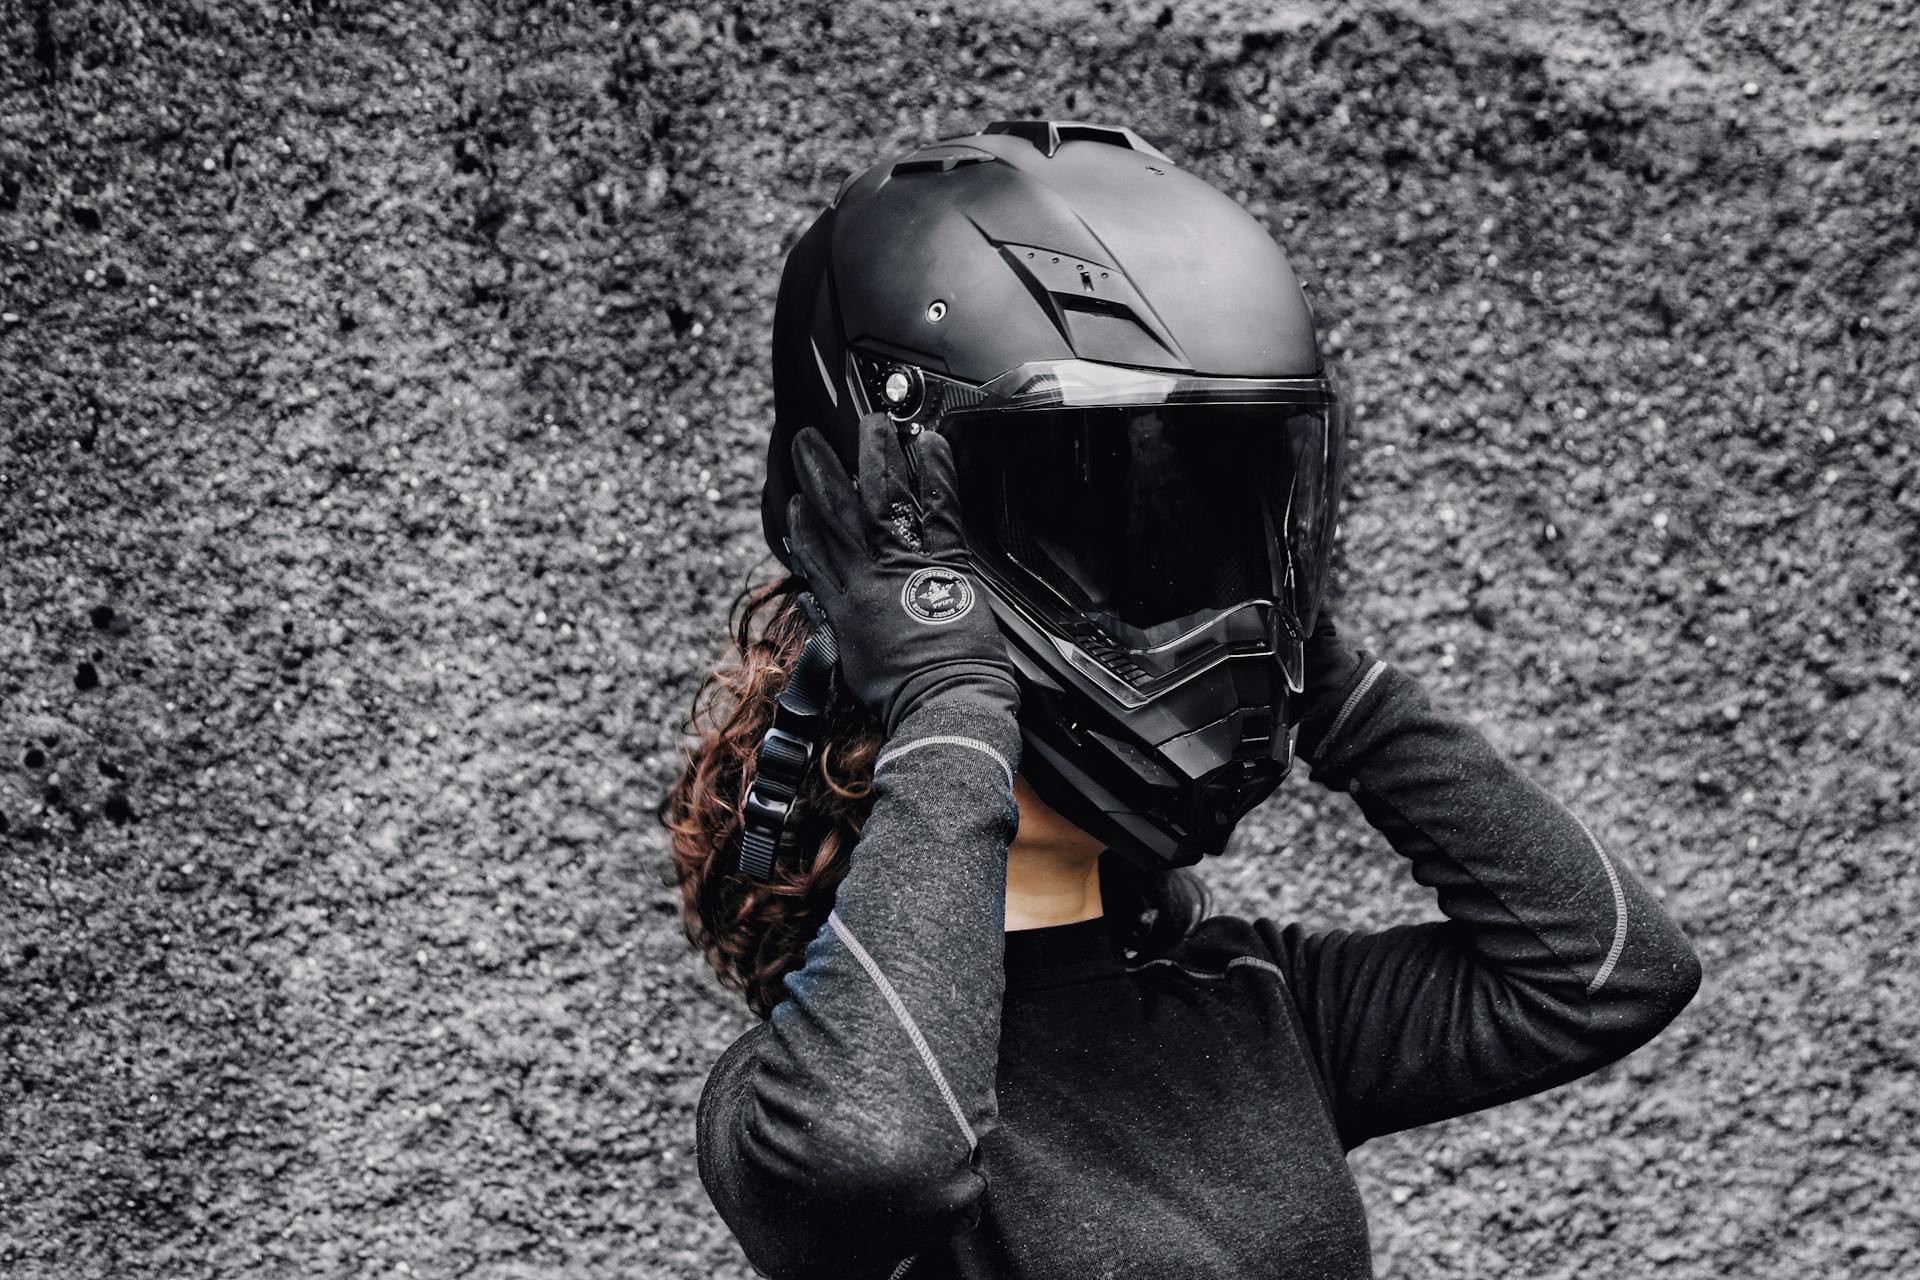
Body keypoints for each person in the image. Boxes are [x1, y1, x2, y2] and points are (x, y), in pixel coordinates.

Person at [663, 121, 1702, 1279]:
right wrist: (952, 690)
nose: (1175, 619)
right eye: (1110, 559)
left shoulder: (1256, 999)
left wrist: (1316, 661)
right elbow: (886, 1151)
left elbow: (1609, 968)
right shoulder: (787, 1099)